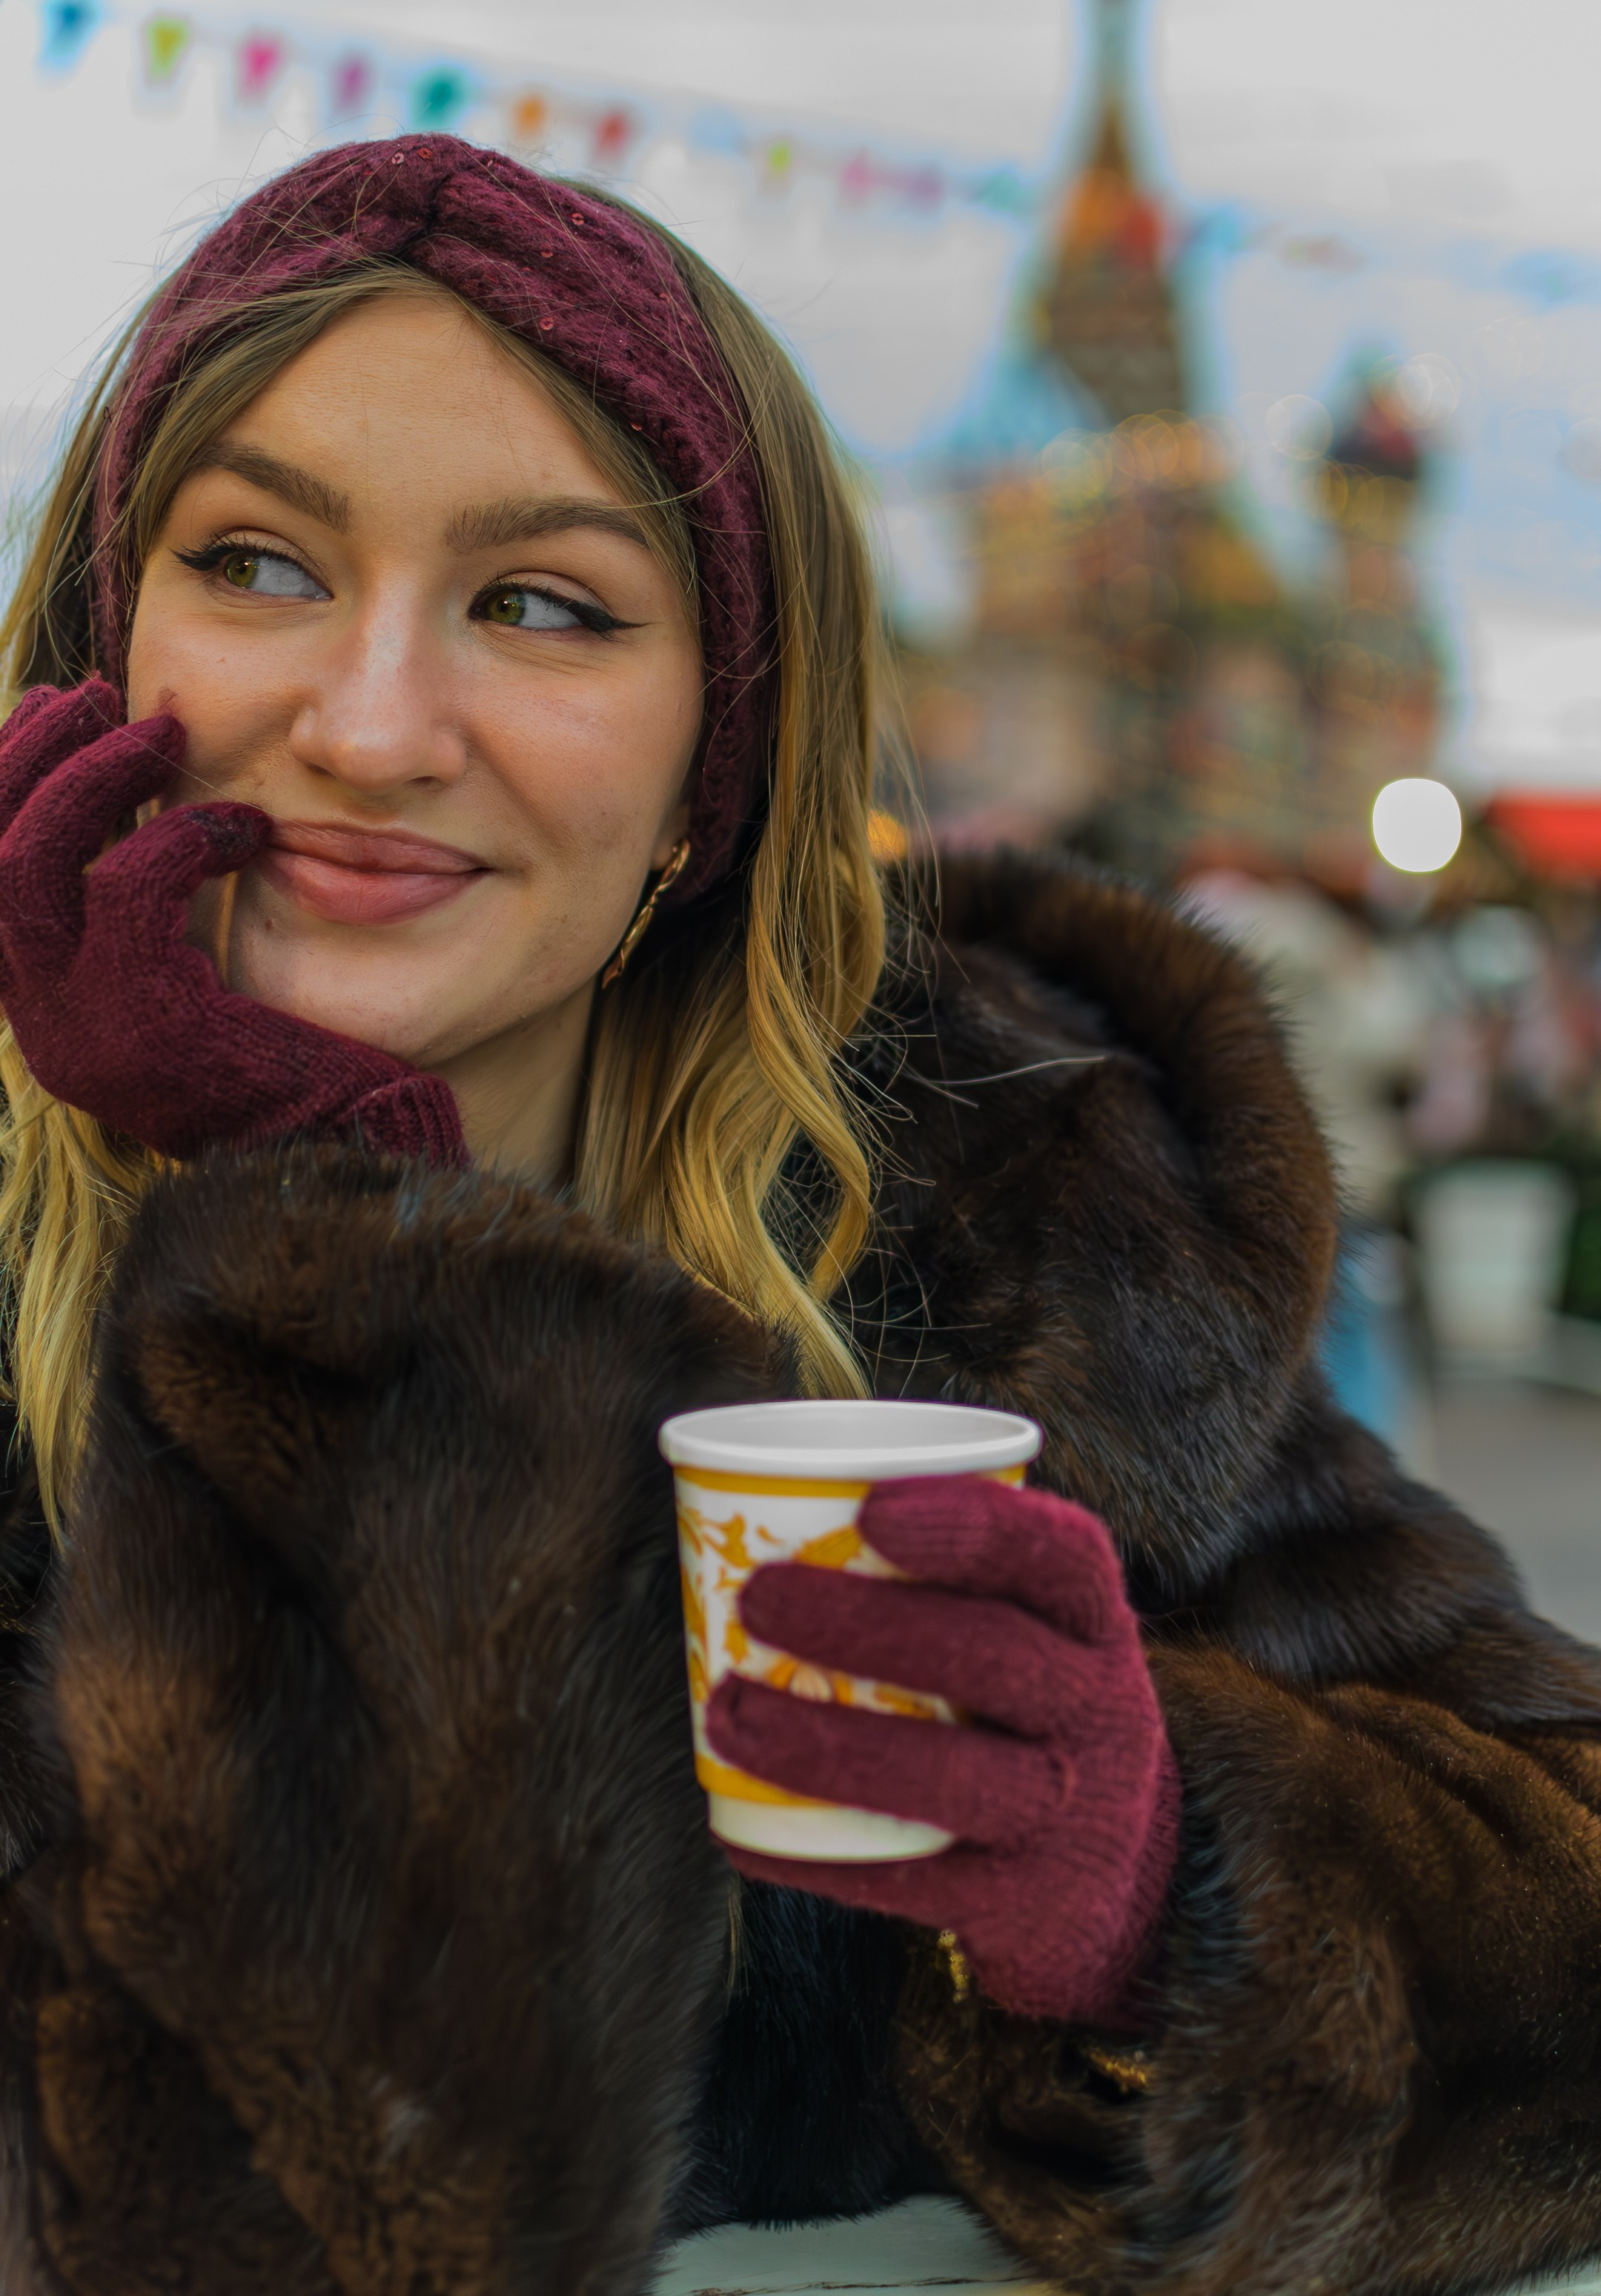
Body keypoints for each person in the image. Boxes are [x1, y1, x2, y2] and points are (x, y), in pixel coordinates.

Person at [0, 136, 1596, 2296]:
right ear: (106, 645)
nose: (368, 724)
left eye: (542, 603)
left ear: (712, 767)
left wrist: (1165, 1901)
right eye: (260, 565)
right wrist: (335, 1277)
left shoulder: (1024, 1206)